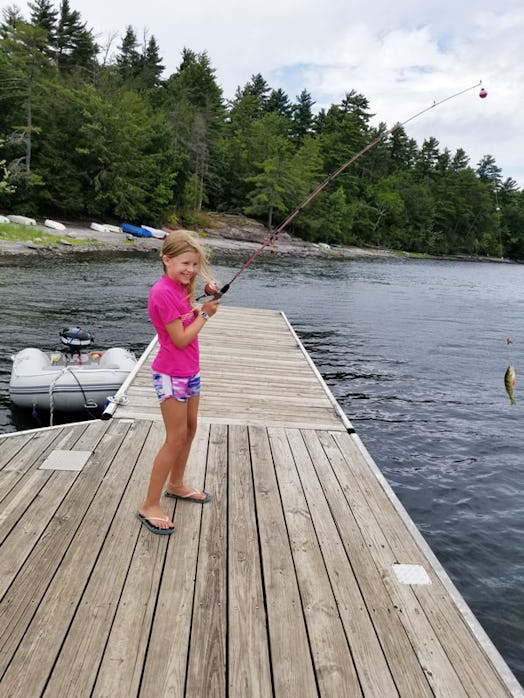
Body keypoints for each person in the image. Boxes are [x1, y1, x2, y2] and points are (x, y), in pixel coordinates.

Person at [136, 230, 220, 534]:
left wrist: (203, 300)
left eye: (195, 264)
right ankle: (149, 504)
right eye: (185, 263)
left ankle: (177, 484)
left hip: (190, 371)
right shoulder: (162, 293)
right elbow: (181, 339)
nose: (191, 270)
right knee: (174, 438)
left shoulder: (180, 287)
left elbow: (185, 315)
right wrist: (206, 316)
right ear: (166, 259)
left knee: (191, 427)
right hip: (171, 374)